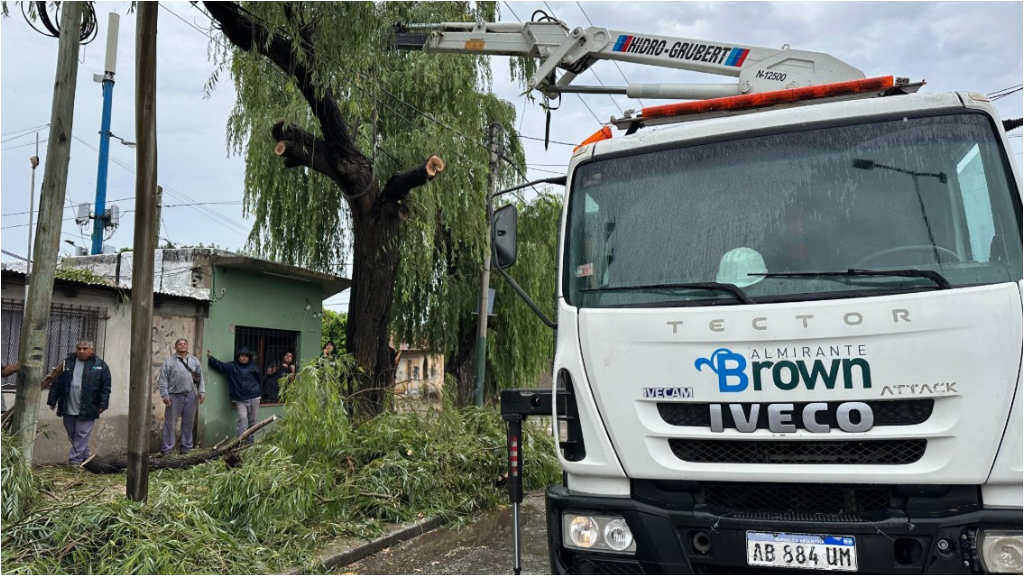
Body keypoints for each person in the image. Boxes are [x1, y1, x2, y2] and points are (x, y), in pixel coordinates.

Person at [47, 340, 111, 465]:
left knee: (81, 434)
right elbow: (56, 383)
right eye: (79, 348)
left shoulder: (100, 365)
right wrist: (52, 400)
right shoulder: (67, 363)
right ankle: (86, 457)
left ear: (92, 350)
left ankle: (74, 461)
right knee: (72, 434)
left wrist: (103, 404)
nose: (81, 351)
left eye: (85, 348)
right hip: (68, 405)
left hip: (88, 407)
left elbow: (105, 387)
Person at [157, 338, 205, 456]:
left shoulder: (194, 361)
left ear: (187, 346)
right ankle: (167, 450)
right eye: (180, 344)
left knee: (188, 423)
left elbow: (200, 378)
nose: (183, 345)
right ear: (175, 347)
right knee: (170, 424)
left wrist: (201, 392)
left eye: (184, 344)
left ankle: (186, 448)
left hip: (190, 396)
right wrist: (165, 395)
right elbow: (163, 380)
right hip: (174, 397)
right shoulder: (169, 362)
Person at [207, 346, 262, 442]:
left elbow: (260, 380)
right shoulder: (232, 366)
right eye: (242, 355)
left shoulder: (254, 367)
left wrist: (258, 391)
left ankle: (250, 442)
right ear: (238, 357)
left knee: (253, 421)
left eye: (246, 356)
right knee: (242, 419)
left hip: (254, 397)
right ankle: (240, 441)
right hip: (240, 399)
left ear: (249, 357)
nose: (244, 358)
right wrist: (210, 358)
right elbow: (220, 366)